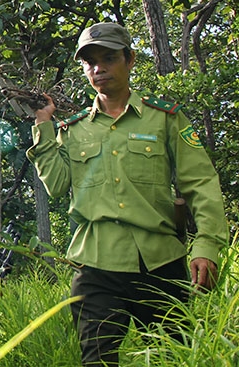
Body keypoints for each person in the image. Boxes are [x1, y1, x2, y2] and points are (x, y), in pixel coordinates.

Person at [27, 22, 229, 367]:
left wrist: (207, 245)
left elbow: (201, 183)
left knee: (171, 358)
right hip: (95, 266)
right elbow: (58, 186)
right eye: (90, 62)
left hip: (160, 261)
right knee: (98, 360)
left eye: (108, 58)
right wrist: (43, 127)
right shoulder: (73, 129)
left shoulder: (165, 118)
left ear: (130, 59)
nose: (98, 68)